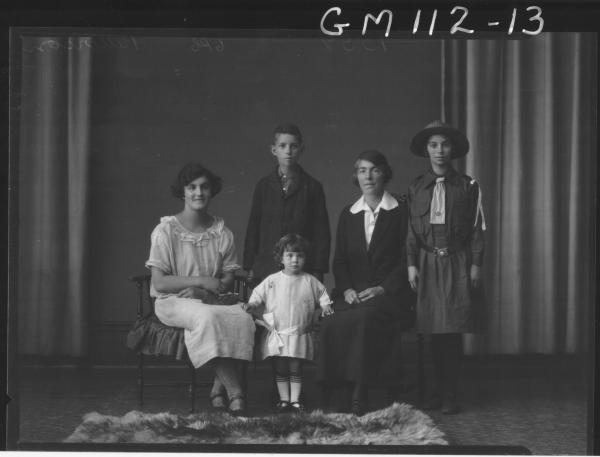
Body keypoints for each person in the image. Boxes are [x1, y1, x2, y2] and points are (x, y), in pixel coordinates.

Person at [146, 163, 255, 416]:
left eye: (204, 187)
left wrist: (207, 292)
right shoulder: (165, 231)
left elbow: (226, 280)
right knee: (208, 316)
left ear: (212, 191)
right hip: (171, 301)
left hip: (209, 299)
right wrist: (202, 282)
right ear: (182, 192)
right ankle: (235, 391)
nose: (198, 193)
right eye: (191, 187)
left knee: (243, 317)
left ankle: (218, 389)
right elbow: (160, 283)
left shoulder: (221, 232)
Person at [316, 150, 413, 416]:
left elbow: (407, 260)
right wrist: (346, 289)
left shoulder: (401, 212)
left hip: (389, 294)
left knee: (364, 320)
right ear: (356, 176)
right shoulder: (349, 213)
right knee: (330, 321)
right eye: (362, 170)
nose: (368, 176)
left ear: (385, 174)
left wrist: (383, 288)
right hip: (353, 293)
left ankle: (360, 391)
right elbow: (341, 261)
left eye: (374, 170)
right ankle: (337, 391)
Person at [406, 120, 485, 415]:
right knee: (429, 333)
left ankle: (450, 394)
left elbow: (477, 228)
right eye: (433, 145)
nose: (439, 151)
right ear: (426, 150)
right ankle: (432, 393)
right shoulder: (416, 187)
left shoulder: (467, 186)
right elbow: (411, 230)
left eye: (445, 145)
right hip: (426, 264)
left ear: (453, 149)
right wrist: (412, 263)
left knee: (451, 332)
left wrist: (476, 263)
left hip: (456, 263)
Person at [242, 234, 334, 413]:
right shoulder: (272, 281)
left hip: (299, 333)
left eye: (299, 256)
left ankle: (295, 400)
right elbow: (257, 296)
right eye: (290, 255)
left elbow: (323, 295)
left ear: (305, 258)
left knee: (296, 366)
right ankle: (284, 400)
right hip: (279, 333)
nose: (295, 260)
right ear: (281, 258)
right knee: (281, 367)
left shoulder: (310, 281)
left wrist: (325, 306)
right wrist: (252, 304)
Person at [243, 123, 330, 283]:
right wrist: (250, 265)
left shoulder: (312, 187)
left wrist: (318, 269)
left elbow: (321, 232)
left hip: (301, 267)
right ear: (274, 150)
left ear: (301, 150)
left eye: (294, 146)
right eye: (282, 146)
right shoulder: (263, 186)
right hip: (267, 267)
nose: (288, 151)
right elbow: (253, 227)